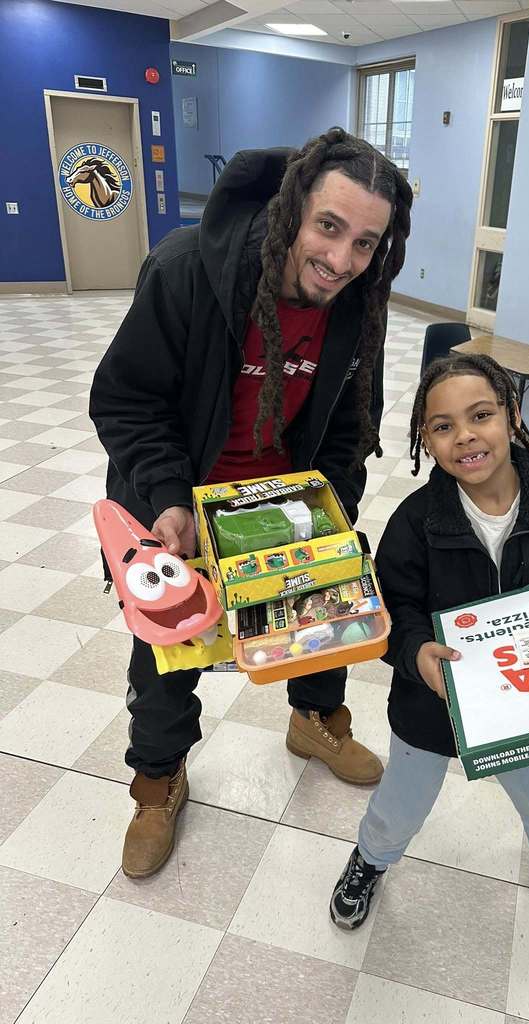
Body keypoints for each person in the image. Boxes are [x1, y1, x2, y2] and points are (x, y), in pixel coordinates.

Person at [89, 127, 412, 879]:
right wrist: (170, 501)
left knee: (326, 609)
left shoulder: (359, 301)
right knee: (168, 655)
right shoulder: (187, 270)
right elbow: (127, 400)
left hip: (284, 492)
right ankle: (159, 779)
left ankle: (316, 720)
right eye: (329, 228)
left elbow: (350, 420)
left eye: (365, 243)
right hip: (180, 497)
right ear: (295, 209)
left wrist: (331, 504)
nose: (340, 259)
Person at [328, 352, 529, 931]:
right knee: (401, 801)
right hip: (432, 704)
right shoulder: (415, 521)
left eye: (481, 415)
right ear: (425, 440)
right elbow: (392, 609)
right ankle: (371, 858)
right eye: (442, 426)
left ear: (511, 416)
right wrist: (414, 652)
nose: (465, 436)